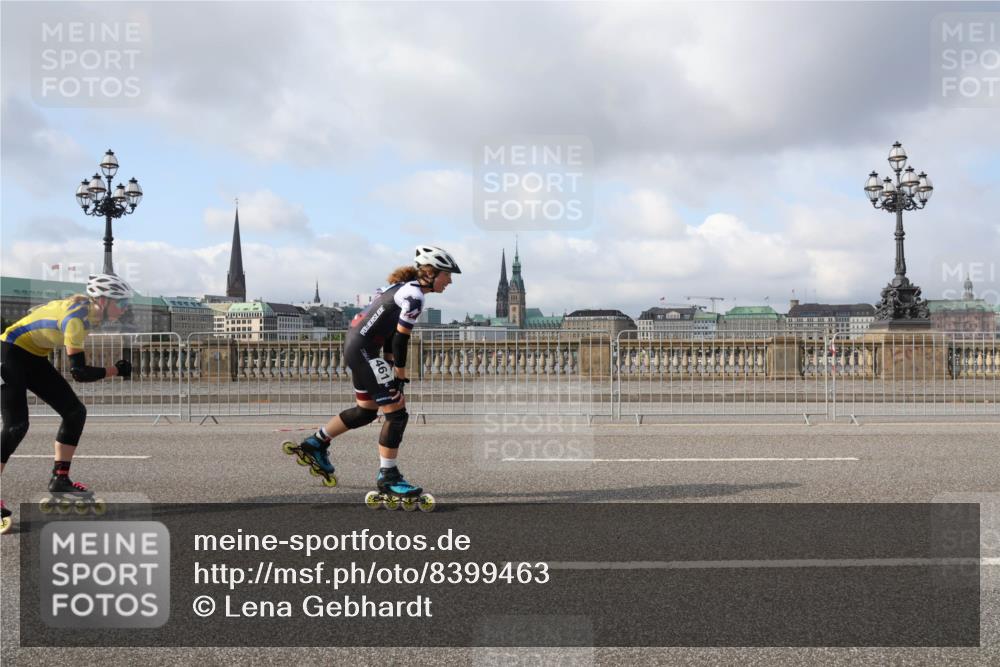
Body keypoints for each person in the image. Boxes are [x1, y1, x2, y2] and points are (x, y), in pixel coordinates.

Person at [283, 245, 460, 509]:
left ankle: (315, 443)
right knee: (397, 412)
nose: (450, 281)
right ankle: (388, 476)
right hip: (364, 351)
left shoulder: (400, 288)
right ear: (431, 272)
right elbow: (401, 338)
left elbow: (388, 330)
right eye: (447, 274)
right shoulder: (414, 296)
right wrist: (400, 376)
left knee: (366, 411)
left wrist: (388, 364)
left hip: (358, 348)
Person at [0, 274, 134, 532]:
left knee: (74, 412)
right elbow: (79, 373)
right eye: (122, 301)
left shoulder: (87, 312)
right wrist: (116, 370)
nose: (126, 307)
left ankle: (60, 479)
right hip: (8, 353)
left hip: (32, 356)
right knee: (16, 426)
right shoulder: (77, 319)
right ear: (103, 300)